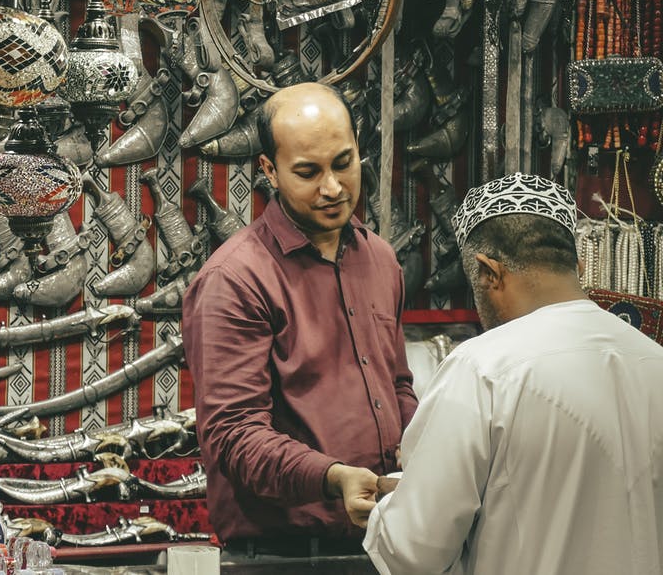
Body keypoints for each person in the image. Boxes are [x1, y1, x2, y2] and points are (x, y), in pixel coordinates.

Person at [360, 173, 663, 574]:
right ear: (580, 264)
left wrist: (391, 503)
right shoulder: (653, 359)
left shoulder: (482, 368)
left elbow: (414, 550)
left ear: (489, 273)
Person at [181, 82, 416, 559]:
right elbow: (234, 436)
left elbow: (397, 386)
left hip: (384, 543)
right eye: (308, 172)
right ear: (269, 170)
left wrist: (430, 449)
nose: (332, 187)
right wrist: (332, 478)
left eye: (343, 163)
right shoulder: (236, 279)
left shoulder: (380, 259)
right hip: (283, 556)